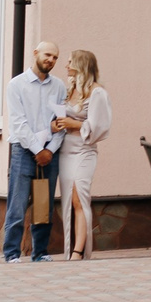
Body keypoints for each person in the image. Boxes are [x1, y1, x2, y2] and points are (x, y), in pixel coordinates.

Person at [3, 41, 67, 262]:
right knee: (17, 204)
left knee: (43, 204)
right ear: (36, 54)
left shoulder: (59, 87)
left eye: (55, 57)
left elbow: (61, 123)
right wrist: (38, 149)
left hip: (50, 153)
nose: (51, 60)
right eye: (48, 55)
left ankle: (40, 253)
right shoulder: (16, 85)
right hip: (23, 151)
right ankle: (11, 253)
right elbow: (18, 124)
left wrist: (49, 150)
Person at [52, 49, 113, 259]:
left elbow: (100, 127)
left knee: (80, 199)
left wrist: (74, 124)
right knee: (69, 199)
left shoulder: (97, 93)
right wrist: (57, 123)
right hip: (65, 150)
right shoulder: (69, 89)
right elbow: (59, 115)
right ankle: (70, 249)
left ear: (80, 65)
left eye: (69, 62)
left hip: (84, 151)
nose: (66, 65)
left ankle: (79, 251)